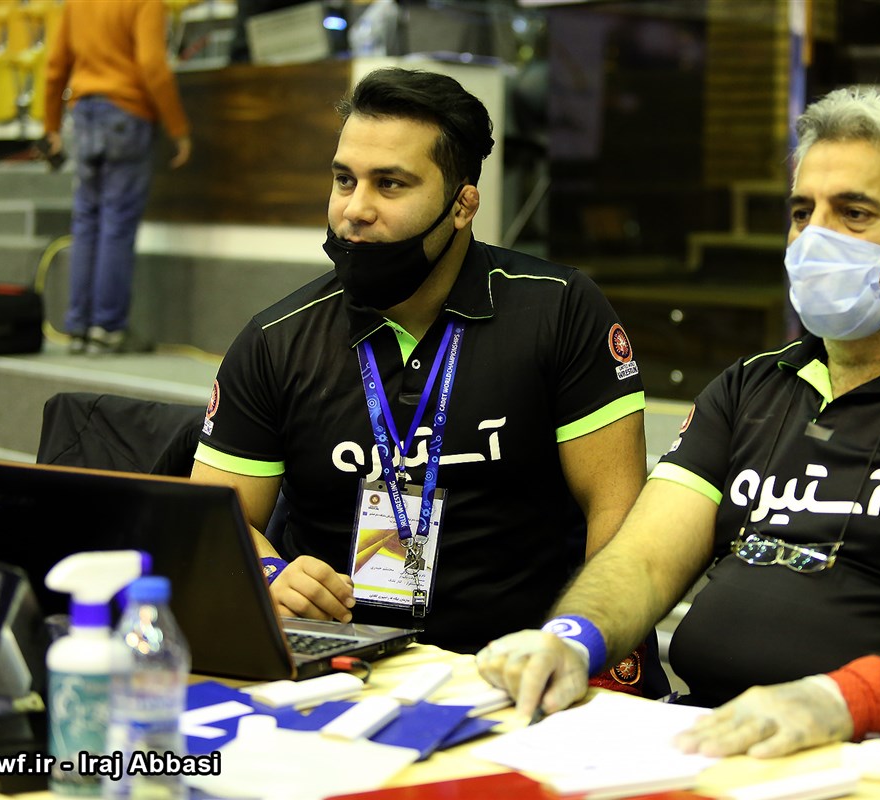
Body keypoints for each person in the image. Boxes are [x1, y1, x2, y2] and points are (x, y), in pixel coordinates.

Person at [477, 87, 880, 773]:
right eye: (802, 212)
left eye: (853, 213)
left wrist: (838, 701)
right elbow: (642, 559)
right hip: (699, 741)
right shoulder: (751, 387)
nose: (814, 238)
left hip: (879, 762)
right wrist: (569, 639)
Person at [190, 69, 652, 670]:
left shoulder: (559, 310)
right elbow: (212, 520)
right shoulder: (276, 340)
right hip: (340, 664)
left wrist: (583, 646)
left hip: (516, 663)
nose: (355, 210)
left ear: (463, 205)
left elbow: (617, 515)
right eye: (344, 180)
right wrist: (272, 574)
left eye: (390, 184)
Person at [44, 0, 191, 355]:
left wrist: (51, 125)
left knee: (86, 222)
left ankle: (78, 328)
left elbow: (54, 66)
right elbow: (152, 64)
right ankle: (107, 329)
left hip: (83, 115)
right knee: (116, 224)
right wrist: (178, 128)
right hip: (126, 113)